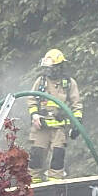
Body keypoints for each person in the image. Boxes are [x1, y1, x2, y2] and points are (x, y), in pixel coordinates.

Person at [27, 48, 83, 182]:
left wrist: (77, 123)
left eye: (50, 68)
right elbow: (31, 99)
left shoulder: (69, 83)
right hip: (41, 128)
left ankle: (54, 188)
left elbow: (76, 105)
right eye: (46, 68)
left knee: (57, 159)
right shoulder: (41, 82)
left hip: (59, 129)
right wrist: (34, 114)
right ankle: (33, 188)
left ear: (59, 67)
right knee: (36, 159)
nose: (47, 71)